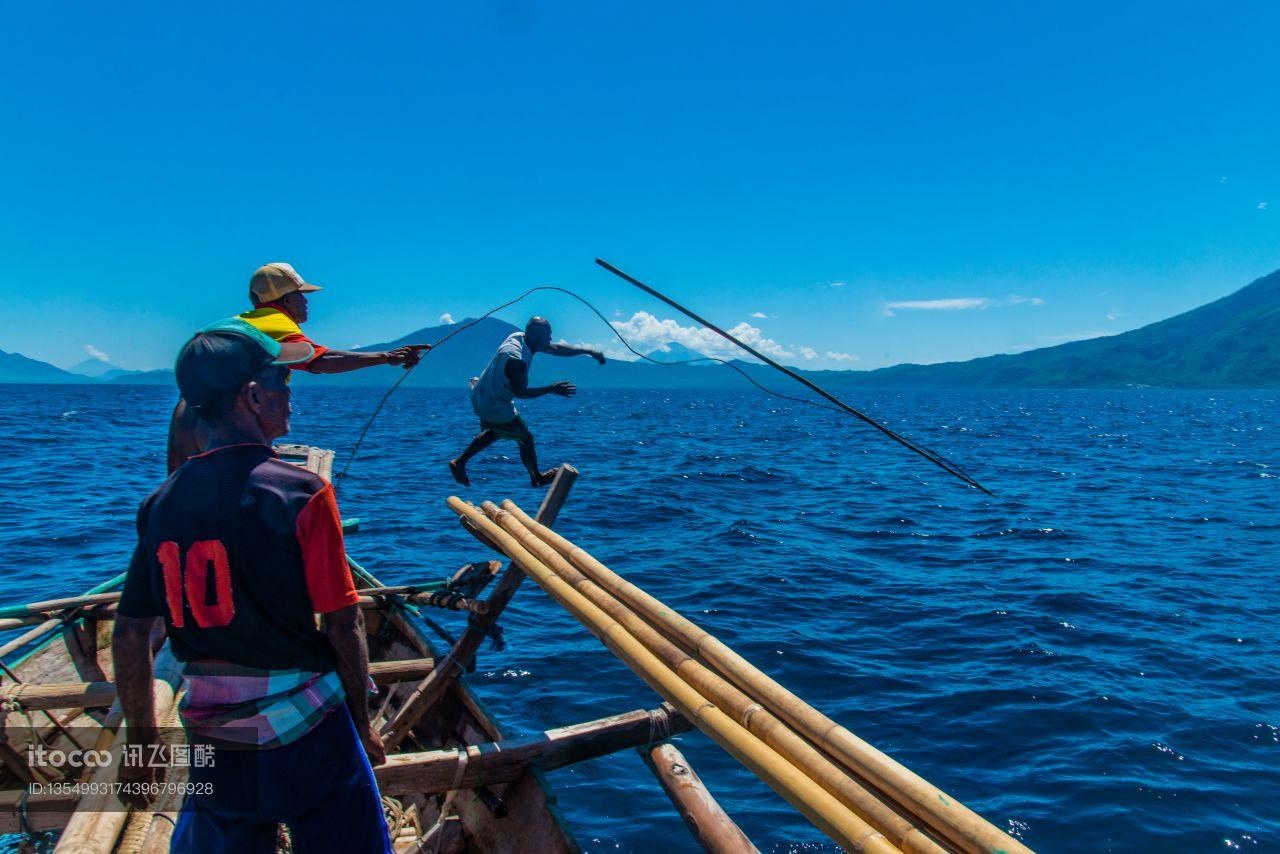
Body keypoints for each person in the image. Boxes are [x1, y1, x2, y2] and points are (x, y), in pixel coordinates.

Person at [114, 318, 391, 853]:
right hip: (309, 738)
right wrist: (362, 720)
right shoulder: (302, 492)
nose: (290, 397)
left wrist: (142, 746)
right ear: (252, 396)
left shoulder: (160, 504)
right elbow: (343, 620)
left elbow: (130, 636)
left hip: (214, 737)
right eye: (283, 384)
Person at [166, 261, 429, 472]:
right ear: (287, 300)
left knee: (182, 497)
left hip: (186, 412)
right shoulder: (277, 322)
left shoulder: (235, 323)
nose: (307, 301)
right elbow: (320, 360)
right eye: (302, 295)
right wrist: (385, 357)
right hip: (226, 420)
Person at [449, 316, 604, 487]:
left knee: (497, 431)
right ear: (537, 337)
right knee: (525, 438)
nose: (550, 339)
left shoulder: (518, 336)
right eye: (547, 335)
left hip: (480, 396)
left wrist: (589, 351)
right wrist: (551, 389)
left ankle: (460, 462)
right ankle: (536, 477)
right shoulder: (518, 361)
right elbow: (521, 393)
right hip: (496, 406)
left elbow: (555, 349)